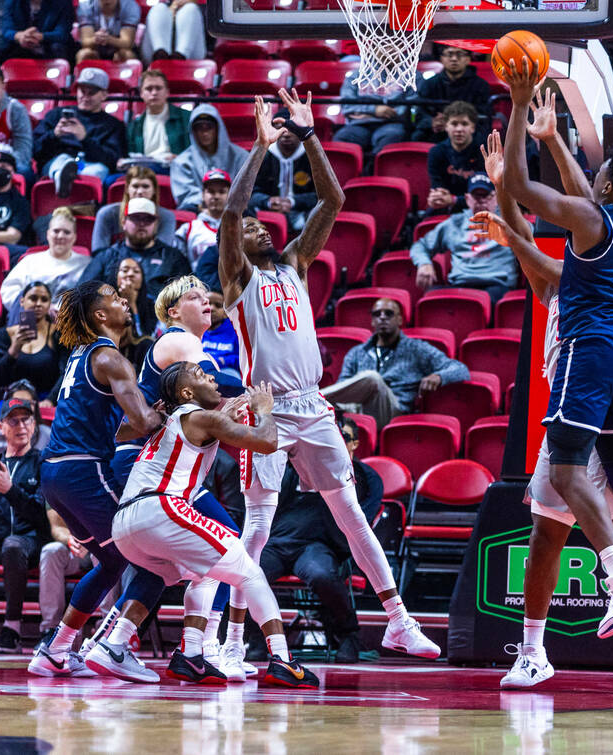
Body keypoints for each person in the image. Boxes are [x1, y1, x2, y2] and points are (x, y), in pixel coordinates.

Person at [472, 126, 613, 693]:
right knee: (546, 533)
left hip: (593, 377)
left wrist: (516, 183)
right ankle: (534, 652)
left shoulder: (577, 267)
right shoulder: (597, 256)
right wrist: (511, 197)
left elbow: (535, 232)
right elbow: (529, 238)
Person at [217, 90, 440, 668]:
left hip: (312, 403)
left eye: (266, 227)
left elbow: (334, 199)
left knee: (351, 513)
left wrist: (311, 135)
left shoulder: (291, 265)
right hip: (264, 408)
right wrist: (261, 149)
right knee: (258, 528)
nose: (261, 229)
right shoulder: (237, 278)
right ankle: (232, 640)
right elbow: (232, 215)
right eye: (252, 231)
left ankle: (398, 622)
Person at [111, 364, 320, 687]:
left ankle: (190, 654)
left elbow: (122, 431)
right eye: (200, 374)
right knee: (250, 571)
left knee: (205, 571)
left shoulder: (171, 421)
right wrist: (264, 410)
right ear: (186, 393)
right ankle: (282, 659)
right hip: (160, 508)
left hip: (125, 523)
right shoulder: (198, 416)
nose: (211, 377)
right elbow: (265, 441)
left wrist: (225, 417)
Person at [109, 275, 251, 678]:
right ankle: (203, 648)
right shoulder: (177, 340)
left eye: (208, 297)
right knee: (224, 545)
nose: (206, 302)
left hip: (161, 463)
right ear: (173, 311)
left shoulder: (190, 344)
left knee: (164, 566)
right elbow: (223, 386)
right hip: (145, 461)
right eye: (194, 296)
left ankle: (115, 642)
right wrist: (268, 391)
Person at [27, 280, 166, 681]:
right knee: (151, 561)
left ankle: (55, 649)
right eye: (114, 298)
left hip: (55, 474)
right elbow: (140, 422)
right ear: (100, 315)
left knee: (110, 561)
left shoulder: (81, 355)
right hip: (82, 470)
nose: (124, 299)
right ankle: (112, 646)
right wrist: (170, 411)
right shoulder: (110, 358)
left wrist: (145, 414)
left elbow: (116, 428)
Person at [258, 416, 382, 664]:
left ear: (354, 443)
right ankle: (256, 639)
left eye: (343, 436)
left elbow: (362, 522)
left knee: (322, 576)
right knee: (245, 573)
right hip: (278, 542)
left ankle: (348, 635)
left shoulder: (365, 476)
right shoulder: (292, 466)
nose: (335, 439)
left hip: (319, 546)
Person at [321, 296, 469, 429]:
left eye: (389, 313)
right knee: (327, 409)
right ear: (372, 321)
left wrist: (439, 376)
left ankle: (315, 399)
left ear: (400, 319)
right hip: (358, 410)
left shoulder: (416, 349)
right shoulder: (357, 352)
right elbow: (344, 388)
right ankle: (316, 402)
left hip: (394, 411)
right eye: (377, 314)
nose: (383, 317)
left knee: (372, 378)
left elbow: (460, 369)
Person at [0, 397, 49, 652]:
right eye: (14, 420)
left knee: (13, 546)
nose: (21, 425)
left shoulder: (43, 463)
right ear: (1, 427)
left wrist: (10, 490)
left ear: (34, 426)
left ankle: (11, 629)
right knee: (7, 544)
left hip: (31, 541)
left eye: (26, 419)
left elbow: (43, 515)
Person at [409, 172, 519, 302]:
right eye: (476, 196)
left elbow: (533, 238)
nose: (482, 201)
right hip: (461, 284)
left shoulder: (510, 222)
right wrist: (424, 263)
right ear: (467, 199)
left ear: (496, 198)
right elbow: (420, 246)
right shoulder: (455, 223)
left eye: (487, 196)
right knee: (432, 299)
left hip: (497, 284)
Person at [82, 196, 191, 307]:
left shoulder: (172, 257)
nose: (142, 224)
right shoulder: (106, 256)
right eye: (136, 218)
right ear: (124, 222)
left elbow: (187, 297)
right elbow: (82, 294)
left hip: (159, 316)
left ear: (155, 224)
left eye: (148, 219)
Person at [32, 68, 125, 196]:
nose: (85, 97)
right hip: (59, 161)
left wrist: (84, 139)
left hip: (91, 165)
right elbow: (35, 150)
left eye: (91, 92)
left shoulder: (113, 125)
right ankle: (62, 177)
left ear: (104, 95)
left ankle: (68, 184)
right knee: (61, 160)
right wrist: (54, 134)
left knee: (97, 171)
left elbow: (113, 161)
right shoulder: (57, 115)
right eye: (82, 91)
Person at [1, 208, 88, 316]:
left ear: (74, 237)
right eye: (56, 231)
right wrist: (37, 308)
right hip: (31, 321)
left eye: (66, 232)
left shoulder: (87, 265)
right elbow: (8, 291)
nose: (60, 236)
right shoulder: (29, 261)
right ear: (48, 234)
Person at [0, 282, 66, 401]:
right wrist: (14, 349)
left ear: (49, 304)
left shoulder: (58, 335)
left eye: (44, 300)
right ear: (22, 301)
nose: (38, 304)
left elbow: (66, 374)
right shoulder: (4, 334)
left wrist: (50, 400)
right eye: (33, 298)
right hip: (12, 399)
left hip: (45, 399)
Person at [171, 105, 249, 212]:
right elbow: (185, 195)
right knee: (186, 210)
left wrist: (225, 202)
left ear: (218, 128)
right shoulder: (181, 162)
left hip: (233, 208)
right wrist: (211, 203)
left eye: (209, 127)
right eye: (199, 128)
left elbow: (245, 189)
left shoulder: (241, 156)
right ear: (193, 131)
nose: (205, 133)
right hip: (198, 208)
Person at [411, 45, 491, 143]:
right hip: (436, 130)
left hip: (468, 130)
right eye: (449, 54)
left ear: (468, 59)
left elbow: (484, 116)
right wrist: (432, 122)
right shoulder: (429, 84)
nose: (454, 59)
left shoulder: (481, 85)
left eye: (459, 54)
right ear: (441, 58)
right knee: (417, 136)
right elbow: (419, 113)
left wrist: (457, 122)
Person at [251, 111, 315, 234]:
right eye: (280, 128)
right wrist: (268, 201)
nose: (286, 134)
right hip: (268, 214)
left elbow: (320, 196)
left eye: (291, 129)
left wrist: (293, 201)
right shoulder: (263, 156)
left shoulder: (312, 157)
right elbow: (249, 193)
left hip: (303, 214)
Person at [91, 165, 179, 252]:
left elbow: (163, 253)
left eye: (145, 186)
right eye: (135, 186)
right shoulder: (107, 213)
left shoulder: (167, 217)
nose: (140, 192)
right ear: (127, 189)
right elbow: (99, 252)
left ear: (154, 190)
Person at [39, 508, 98, 635]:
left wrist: (90, 541)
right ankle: (50, 628)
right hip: (75, 550)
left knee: (106, 556)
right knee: (51, 551)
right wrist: (71, 540)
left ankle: (107, 627)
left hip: (102, 545)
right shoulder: (55, 487)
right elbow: (57, 527)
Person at [332, 68, 410, 157]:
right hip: (359, 125)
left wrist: (364, 111)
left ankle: (373, 169)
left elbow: (410, 108)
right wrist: (374, 110)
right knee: (342, 137)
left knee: (392, 137)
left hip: (391, 123)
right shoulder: (355, 76)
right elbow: (347, 107)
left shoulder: (409, 76)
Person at [125, 70, 192, 172]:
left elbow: (195, 152)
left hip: (176, 169)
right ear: (141, 94)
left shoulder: (187, 118)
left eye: (158, 88)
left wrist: (180, 158)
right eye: (149, 89)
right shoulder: (134, 125)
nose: (154, 93)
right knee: (110, 181)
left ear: (167, 93)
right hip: (144, 172)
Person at [427, 101, 486, 213]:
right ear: (446, 127)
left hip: (480, 206)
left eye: (464, 124)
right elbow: (437, 187)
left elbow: (485, 195)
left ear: (472, 128)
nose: (459, 129)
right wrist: (437, 198)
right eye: (454, 124)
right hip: (447, 204)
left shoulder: (485, 151)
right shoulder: (436, 152)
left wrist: (455, 200)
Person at [0, 64, 34, 185]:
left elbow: (24, 150)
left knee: (26, 172)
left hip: (11, 164)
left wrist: (4, 166)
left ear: (4, 87)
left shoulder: (16, 109)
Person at [0, 145, 33, 263]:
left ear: (12, 171)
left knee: (26, 254)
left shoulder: (20, 202)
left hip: (0, 246)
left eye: (3, 166)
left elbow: (13, 237)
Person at [176, 169, 228, 268]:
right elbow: (178, 265)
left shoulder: (240, 228)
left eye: (222, 192)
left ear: (230, 195)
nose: (216, 196)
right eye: (211, 191)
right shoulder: (187, 229)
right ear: (203, 195)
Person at [0, 0, 75, 63]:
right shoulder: (13, 2)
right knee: (4, 48)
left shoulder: (64, 2)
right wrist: (20, 36)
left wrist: (40, 37)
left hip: (49, 43)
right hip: (22, 42)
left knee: (59, 47)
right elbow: (6, 30)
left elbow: (63, 33)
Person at [74, 0, 139, 65]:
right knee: (84, 54)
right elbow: (86, 42)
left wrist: (108, 39)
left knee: (127, 55)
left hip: (119, 50)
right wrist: (96, 39)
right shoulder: (85, 6)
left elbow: (127, 44)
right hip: (95, 49)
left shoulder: (130, 6)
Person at [141, 0, 206, 62]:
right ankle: (160, 54)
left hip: (192, 58)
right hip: (153, 55)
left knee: (190, 9)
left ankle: (180, 56)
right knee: (159, 8)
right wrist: (169, 15)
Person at [201, 289, 238, 377]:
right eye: (207, 304)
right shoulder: (193, 328)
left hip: (227, 373)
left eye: (218, 305)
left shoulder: (236, 329)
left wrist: (223, 361)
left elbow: (243, 359)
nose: (212, 308)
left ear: (226, 311)